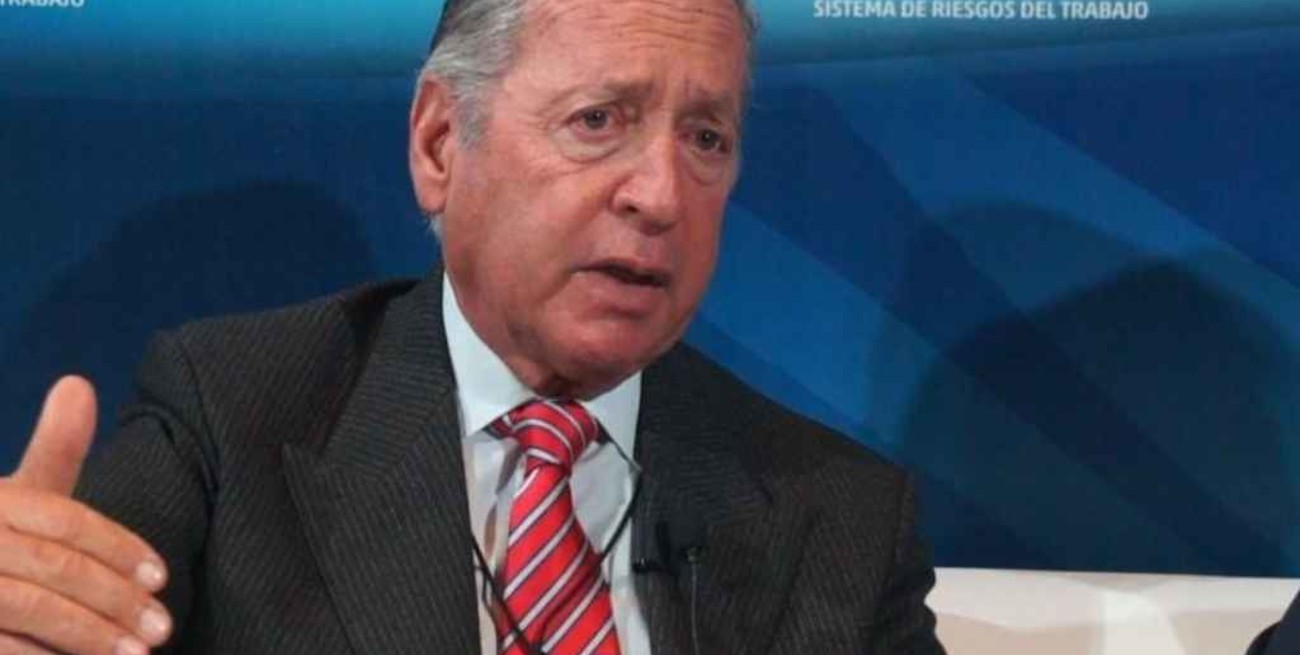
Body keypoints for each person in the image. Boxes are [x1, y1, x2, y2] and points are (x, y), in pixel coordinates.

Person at [0, 0, 946, 652]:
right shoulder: (231, 418)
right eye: (598, 119)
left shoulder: (842, 521)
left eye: (706, 137)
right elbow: (64, 619)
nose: (661, 195)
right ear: (440, 144)